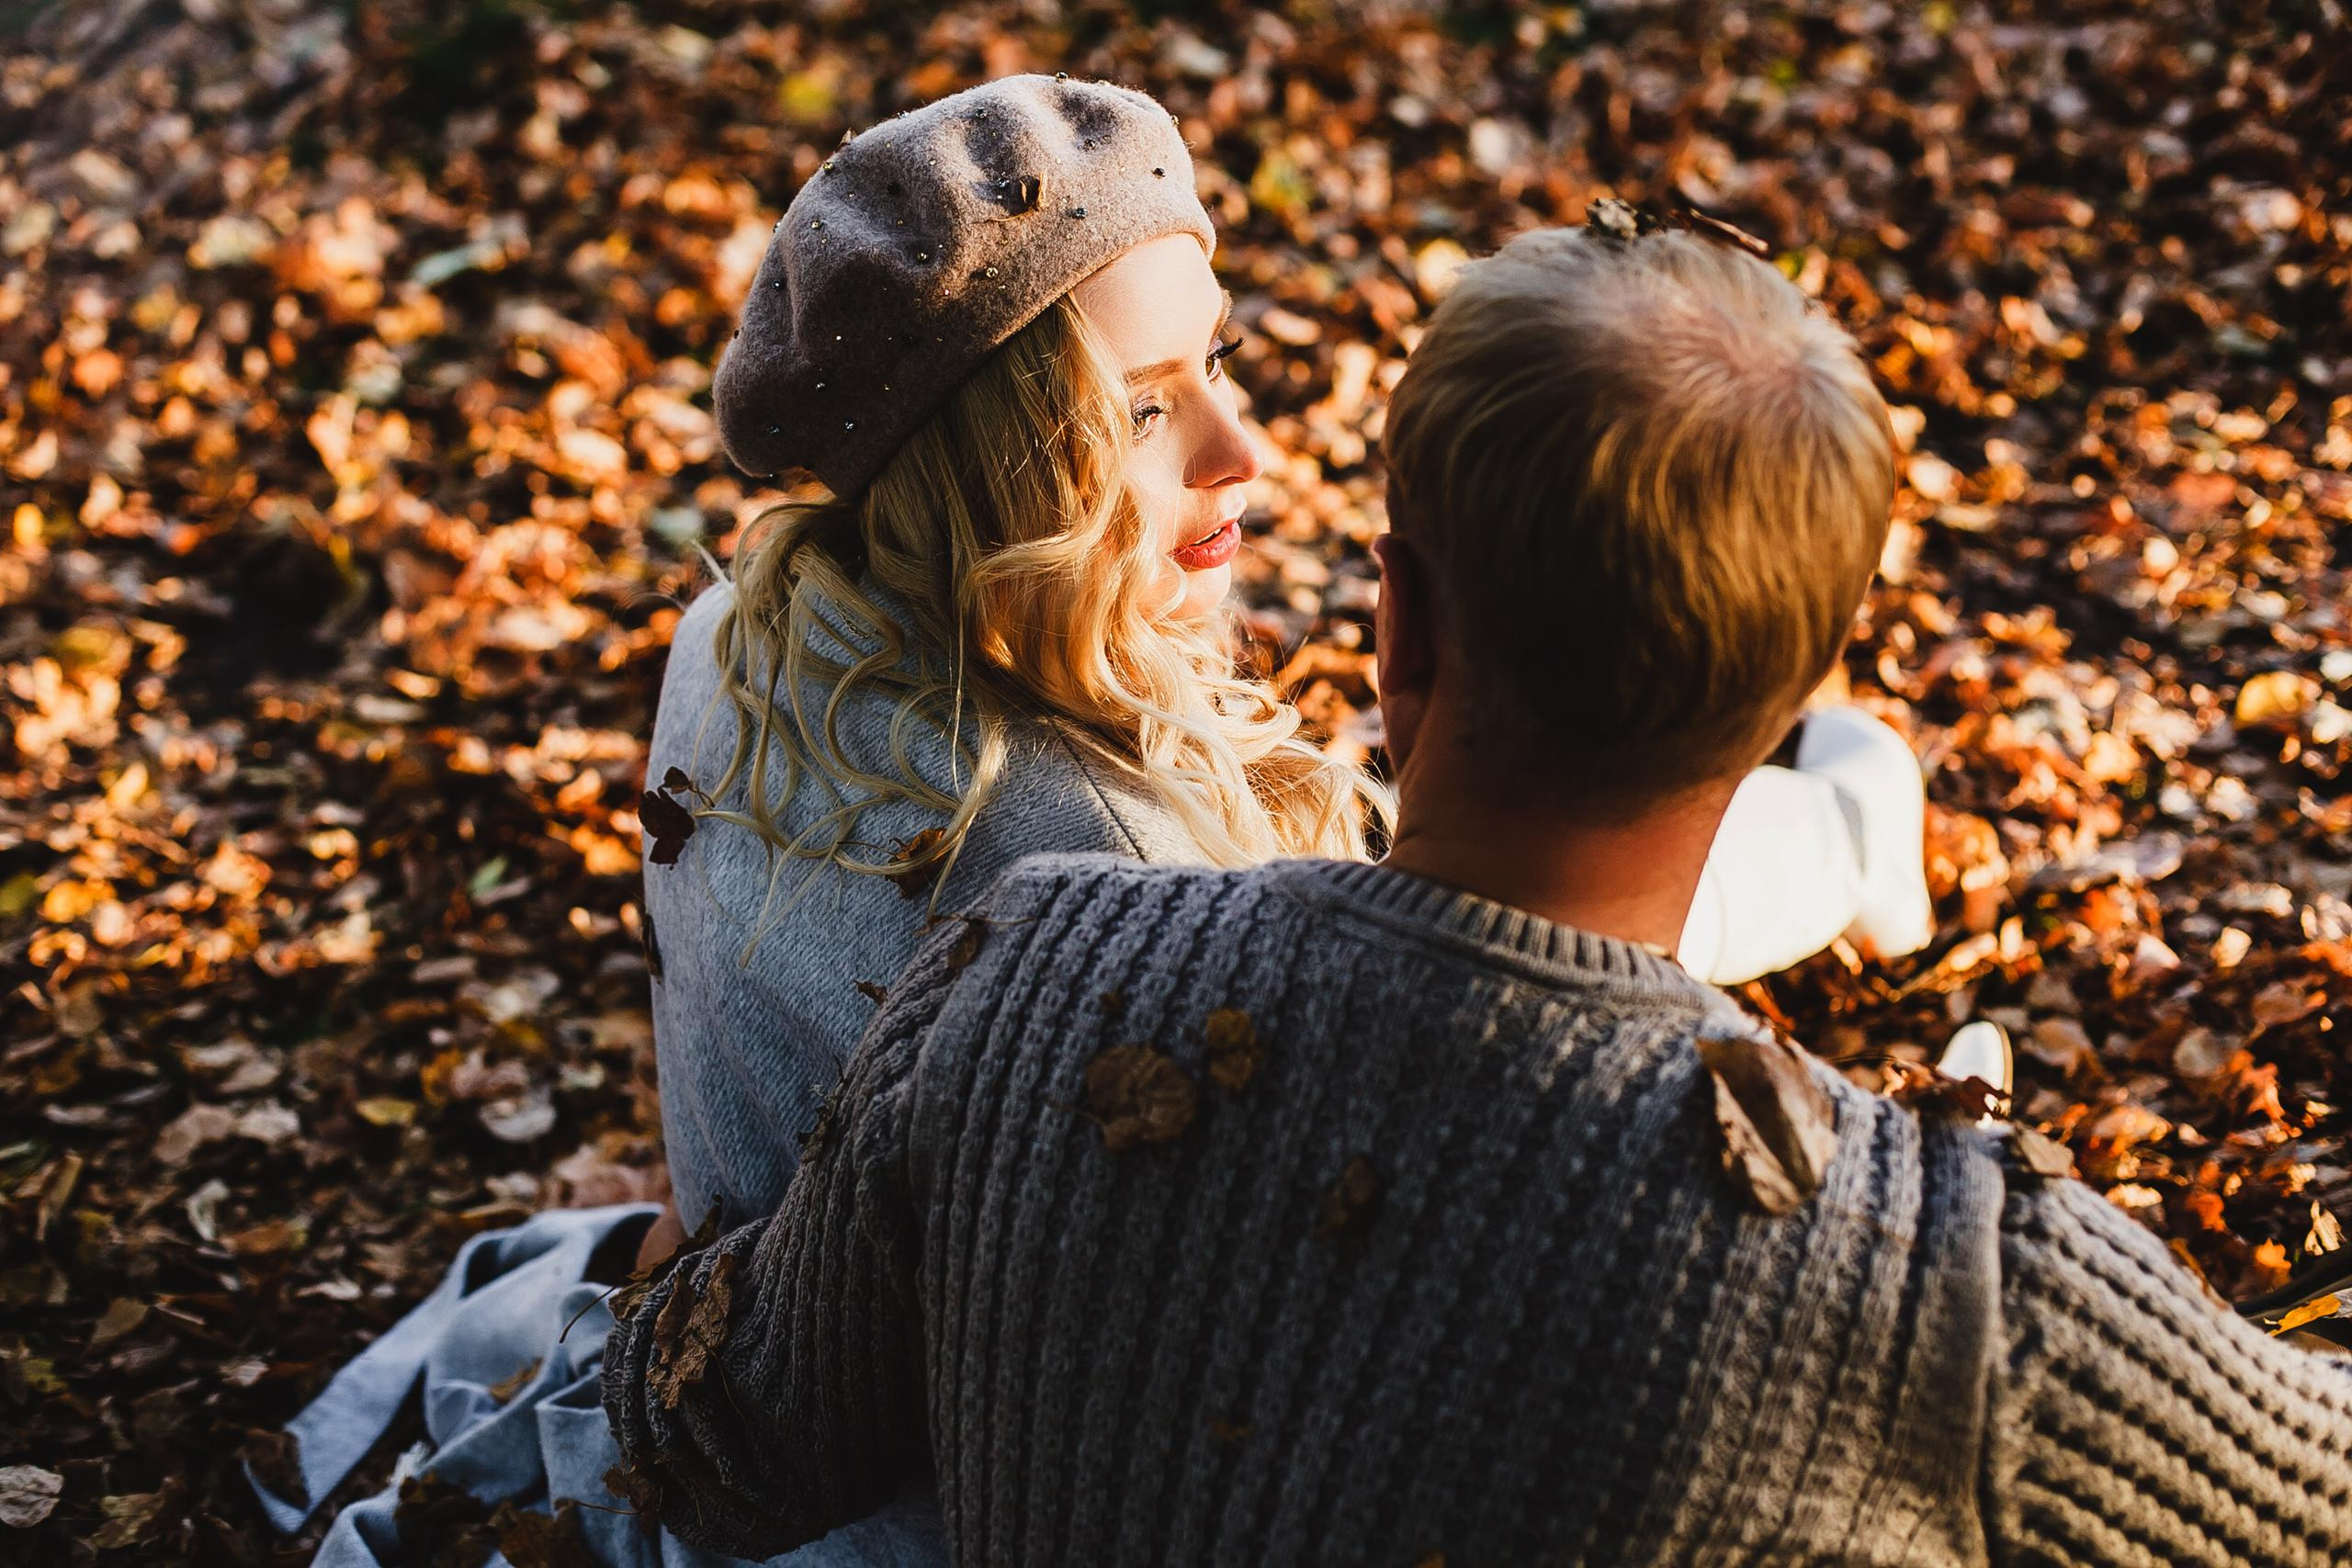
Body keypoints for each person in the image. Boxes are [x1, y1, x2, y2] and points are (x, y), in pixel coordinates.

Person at [250, 75, 1933, 1567]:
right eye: (1142, 410)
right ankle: (1860, 825)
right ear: (985, 472)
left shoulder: (737, 635)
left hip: (760, 1377)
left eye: (1220, 362)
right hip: (939, 1494)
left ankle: (1851, 822)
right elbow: (1463, 979)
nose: (1243, 447)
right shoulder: (1107, 881)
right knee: (1517, 881)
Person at [598, 209, 2352, 1566]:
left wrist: (677, 1278)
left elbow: (714, 1440)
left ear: (1402, 625)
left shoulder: (1021, 966)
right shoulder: (1949, 1279)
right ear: (1793, 686)